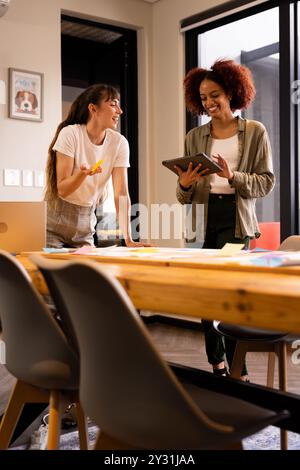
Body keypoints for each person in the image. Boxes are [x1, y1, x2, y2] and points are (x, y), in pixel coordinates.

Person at [176, 59, 275, 380]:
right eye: (203, 97)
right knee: (206, 293)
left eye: (214, 94)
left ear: (232, 92)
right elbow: (182, 195)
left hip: (235, 221)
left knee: (228, 293)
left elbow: (265, 182)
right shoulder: (195, 136)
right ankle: (217, 365)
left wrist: (233, 176)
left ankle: (238, 370)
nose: (208, 102)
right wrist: (184, 184)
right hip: (201, 221)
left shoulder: (255, 132)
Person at [45, 83, 149, 249]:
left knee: (84, 273)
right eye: (113, 104)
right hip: (52, 224)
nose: (120, 111)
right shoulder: (70, 134)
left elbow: (121, 193)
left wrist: (128, 239)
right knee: (45, 272)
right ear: (93, 109)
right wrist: (83, 174)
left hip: (85, 224)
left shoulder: (119, 143)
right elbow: (62, 189)